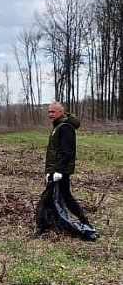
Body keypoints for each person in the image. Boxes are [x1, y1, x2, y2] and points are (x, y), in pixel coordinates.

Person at [39, 101, 97, 239]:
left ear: (61, 112)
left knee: (56, 198)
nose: (50, 115)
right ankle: (52, 225)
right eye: (49, 112)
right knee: (59, 198)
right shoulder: (58, 127)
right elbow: (55, 152)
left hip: (61, 171)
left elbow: (67, 152)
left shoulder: (65, 127)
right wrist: (50, 171)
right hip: (56, 170)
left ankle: (43, 227)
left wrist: (59, 171)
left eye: (53, 112)